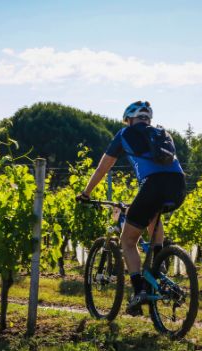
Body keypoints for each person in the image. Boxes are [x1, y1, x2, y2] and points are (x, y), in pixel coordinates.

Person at [76, 100, 186, 315]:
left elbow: (102, 168)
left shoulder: (125, 134)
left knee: (128, 240)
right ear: (148, 118)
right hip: (179, 185)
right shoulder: (163, 133)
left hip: (153, 186)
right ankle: (159, 261)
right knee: (154, 215)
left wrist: (86, 193)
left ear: (129, 119)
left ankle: (139, 292)